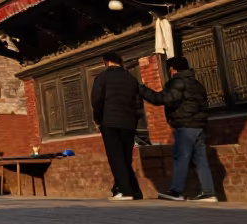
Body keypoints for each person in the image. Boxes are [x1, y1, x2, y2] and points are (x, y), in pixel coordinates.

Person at [139, 56, 217, 202]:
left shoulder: (177, 83)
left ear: (173, 69)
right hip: (199, 125)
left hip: (185, 125)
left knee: (181, 157)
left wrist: (143, 91)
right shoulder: (196, 83)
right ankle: (209, 192)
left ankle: (177, 191)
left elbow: (163, 99)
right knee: (200, 159)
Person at [91, 52, 144, 201]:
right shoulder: (131, 78)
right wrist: (135, 118)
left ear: (107, 62)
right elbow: (138, 103)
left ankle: (125, 191)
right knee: (125, 156)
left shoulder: (102, 78)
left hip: (110, 121)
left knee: (116, 157)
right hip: (129, 122)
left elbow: (97, 100)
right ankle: (133, 190)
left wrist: (98, 118)